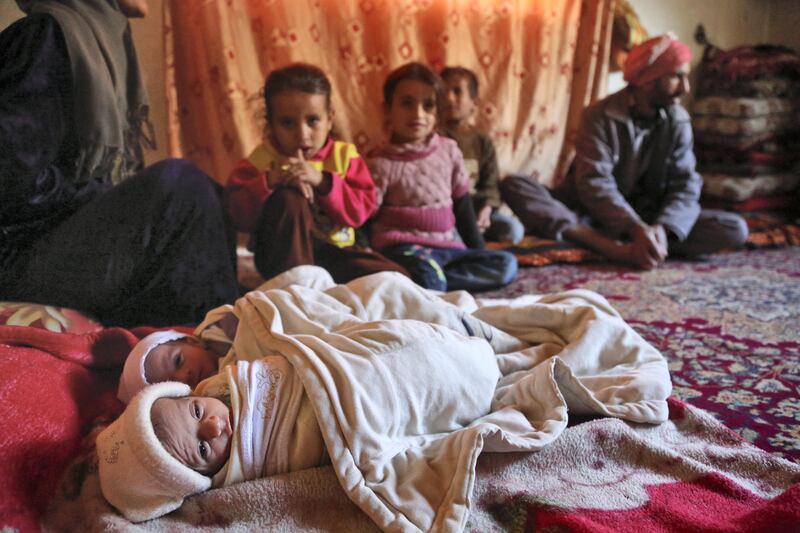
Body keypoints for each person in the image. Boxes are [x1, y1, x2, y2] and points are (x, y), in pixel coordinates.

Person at [0, 0, 240, 327]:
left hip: (56, 242)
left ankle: (214, 327)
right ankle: (213, 344)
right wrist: (107, 196)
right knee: (179, 186)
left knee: (210, 194)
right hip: (20, 258)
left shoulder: (108, 41)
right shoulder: (47, 36)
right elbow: (14, 183)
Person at [500, 33, 749, 270]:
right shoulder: (598, 116)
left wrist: (662, 228)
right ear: (649, 80)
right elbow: (594, 183)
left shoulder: (678, 120)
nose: (685, 87)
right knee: (515, 185)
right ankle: (614, 249)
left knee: (733, 228)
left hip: (650, 216)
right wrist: (633, 227)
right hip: (592, 214)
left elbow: (685, 185)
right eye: (676, 77)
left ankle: (644, 246)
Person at [224, 63, 407, 283]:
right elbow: (235, 213)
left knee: (398, 278)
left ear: (329, 119)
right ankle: (300, 287)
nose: (302, 134)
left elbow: (360, 213)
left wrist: (322, 182)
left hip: (337, 253)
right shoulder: (260, 161)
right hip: (283, 259)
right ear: (270, 124)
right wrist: (270, 181)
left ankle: (322, 286)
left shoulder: (344, 157)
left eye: (313, 120)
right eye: (287, 123)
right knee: (288, 196)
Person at [368, 62, 518, 291]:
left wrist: (478, 251)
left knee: (506, 264)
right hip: (404, 249)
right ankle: (422, 281)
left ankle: (423, 282)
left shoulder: (449, 151)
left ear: (438, 112)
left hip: (447, 247)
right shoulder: (379, 162)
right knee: (426, 274)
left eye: (428, 105)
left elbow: (463, 207)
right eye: (407, 103)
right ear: (388, 110)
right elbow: (366, 218)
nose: (418, 114)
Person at [440, 66, 524, 244]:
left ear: (474, 102)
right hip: (449, 212)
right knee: (452, 236)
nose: (448, 98)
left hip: (478, 209)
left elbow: (491, 183)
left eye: (457, 92)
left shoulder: (482, 142)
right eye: (443, 92)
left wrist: (485, 211)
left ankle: (476, 234)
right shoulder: (434, 139)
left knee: (513, 230)